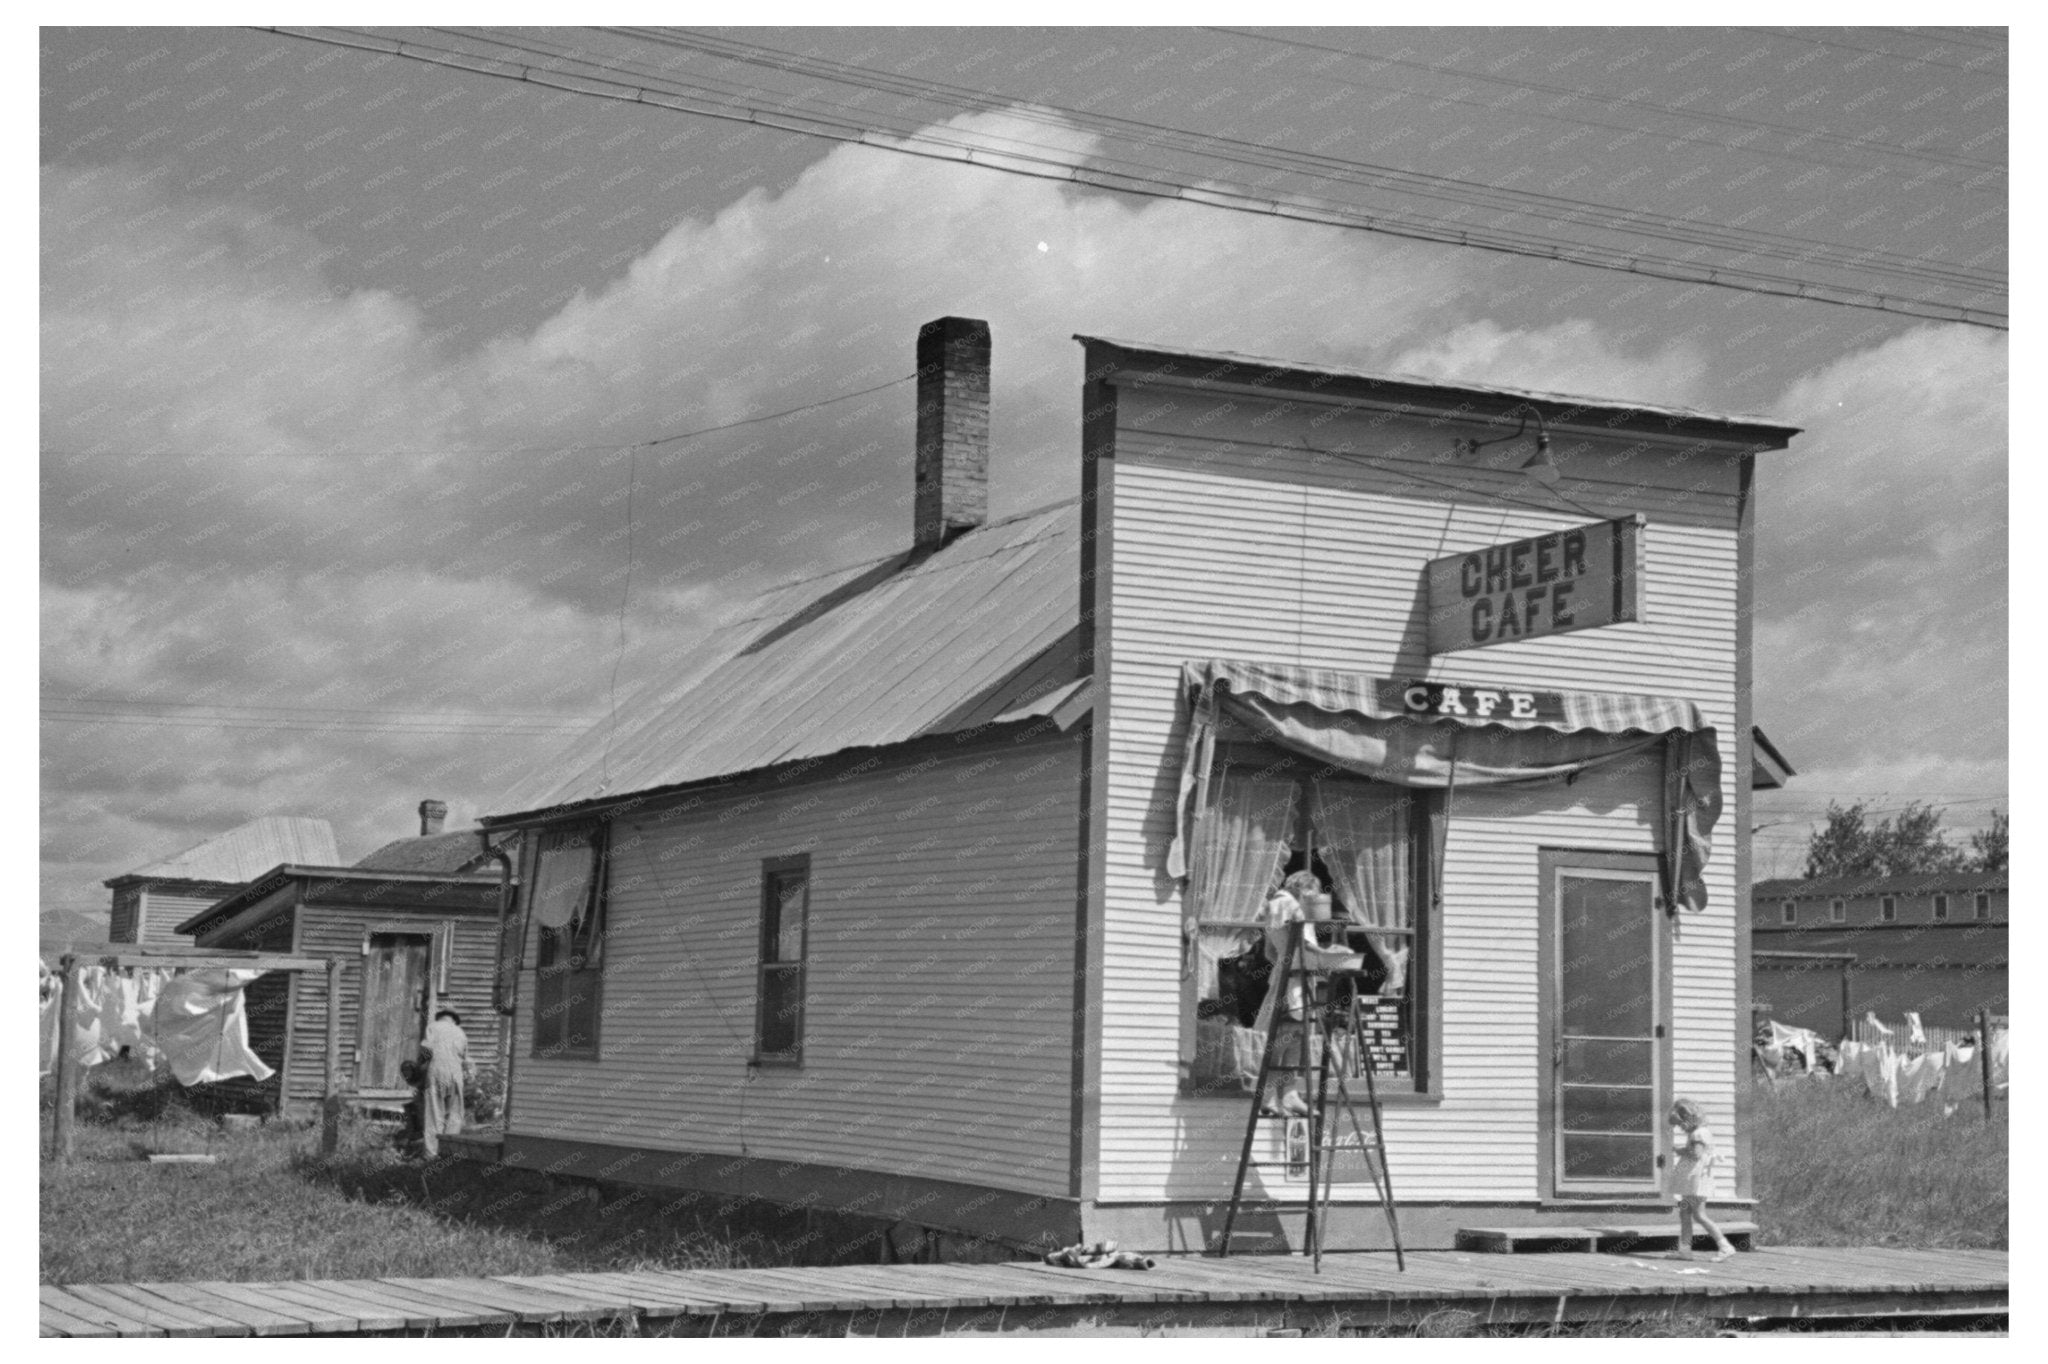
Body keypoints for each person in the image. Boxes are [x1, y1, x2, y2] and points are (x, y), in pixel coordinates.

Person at [1668, 1098, 1737, 1261]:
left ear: (1688, 1118)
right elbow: (1695, 1151)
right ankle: (1685, 1250)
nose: (1680, 1127)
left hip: (1696, 1179)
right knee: (1685, 1213)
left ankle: (1725, 1246)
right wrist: (1683, 1149)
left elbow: (1696, 1153)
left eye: (1680, 1123)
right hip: (1691, 1179)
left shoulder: (1699, 1133)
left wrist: (1681, 1151)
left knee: (1699, 1215)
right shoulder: (1698, 1132)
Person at [418, 1008, 475, 1158]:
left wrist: (421, 1066)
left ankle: (431, 1154)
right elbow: (465, 1058)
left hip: (436, 1071)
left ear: (440, 1018)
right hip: (455, 1073)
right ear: (454, 1020)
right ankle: (449, 1153)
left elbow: (426, 1051)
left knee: (434, 1113)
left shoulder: (433, 1027)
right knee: (455, 1114)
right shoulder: (460, 1032)